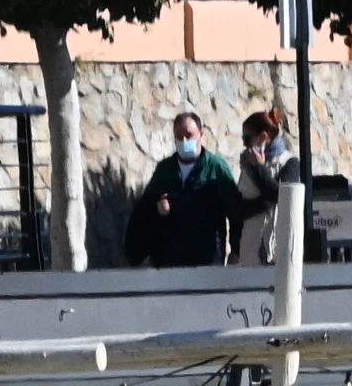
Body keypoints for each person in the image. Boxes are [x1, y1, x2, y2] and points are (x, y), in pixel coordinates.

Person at [128, 114, 243, 268]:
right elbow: (144, 210)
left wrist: (236, 252)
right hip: (169, 260)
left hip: (207, 259)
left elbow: (235, 214)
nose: (184, 141)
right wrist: (158, 209)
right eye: (179, 136)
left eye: (189, 135)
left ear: (201, 134)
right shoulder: (165, 170)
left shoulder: (216, 169)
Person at [234, 111, 305, 265]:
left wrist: (260, 168)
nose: (245, 145)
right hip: (250, 250)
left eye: (247, 139)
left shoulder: (289, 163)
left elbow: (281, 197)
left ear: (263, 137)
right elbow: (239, 208)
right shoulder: (247, 164)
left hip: (276, 252)